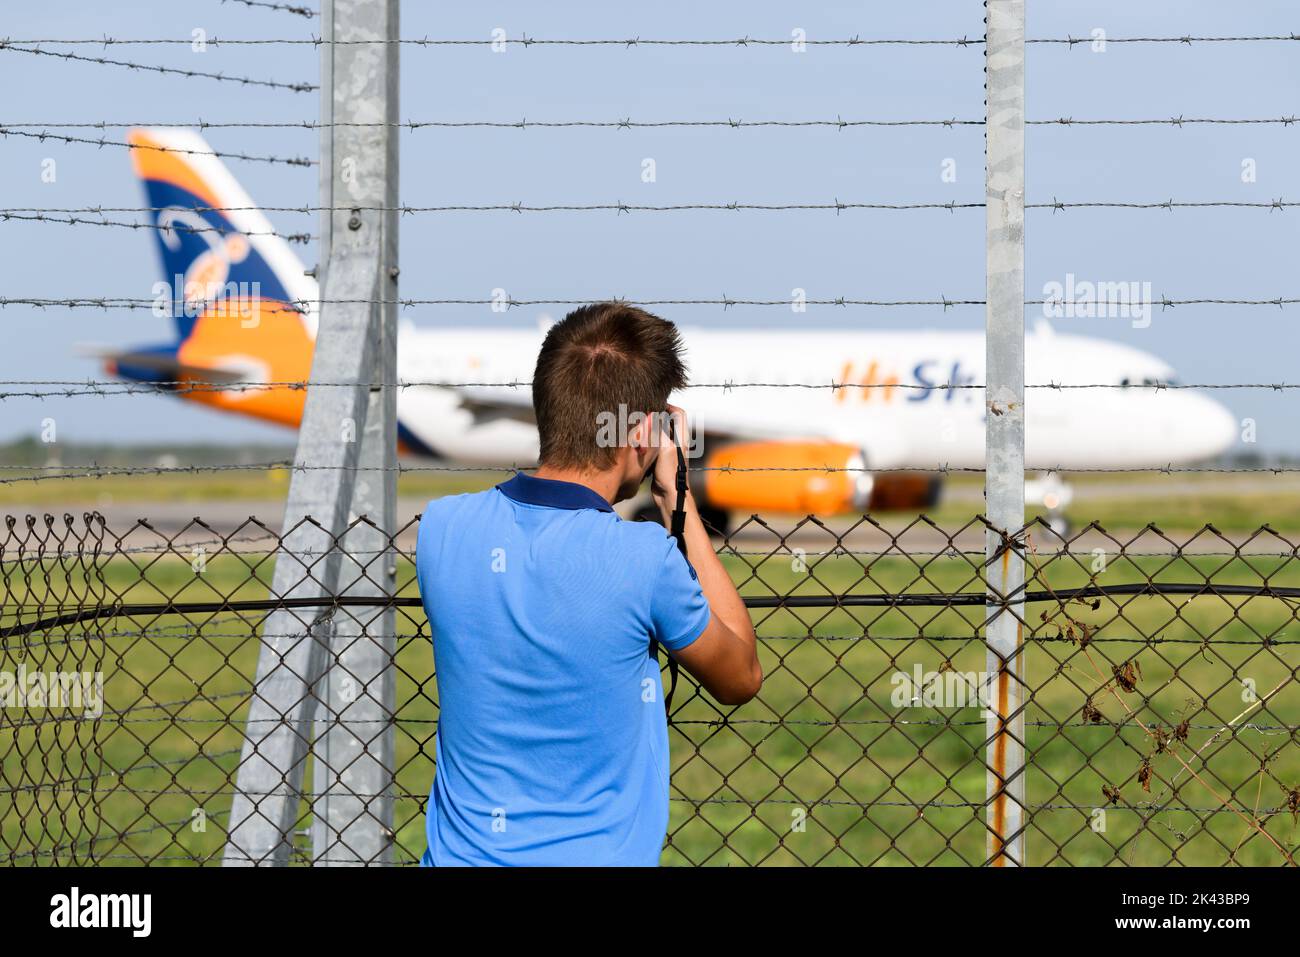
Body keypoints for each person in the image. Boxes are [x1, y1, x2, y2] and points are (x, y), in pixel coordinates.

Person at [415, 301, 761, 866]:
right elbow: (740, 675)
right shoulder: (643, 556)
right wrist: (680, 500)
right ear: (649, 434)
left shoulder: (443, 529)